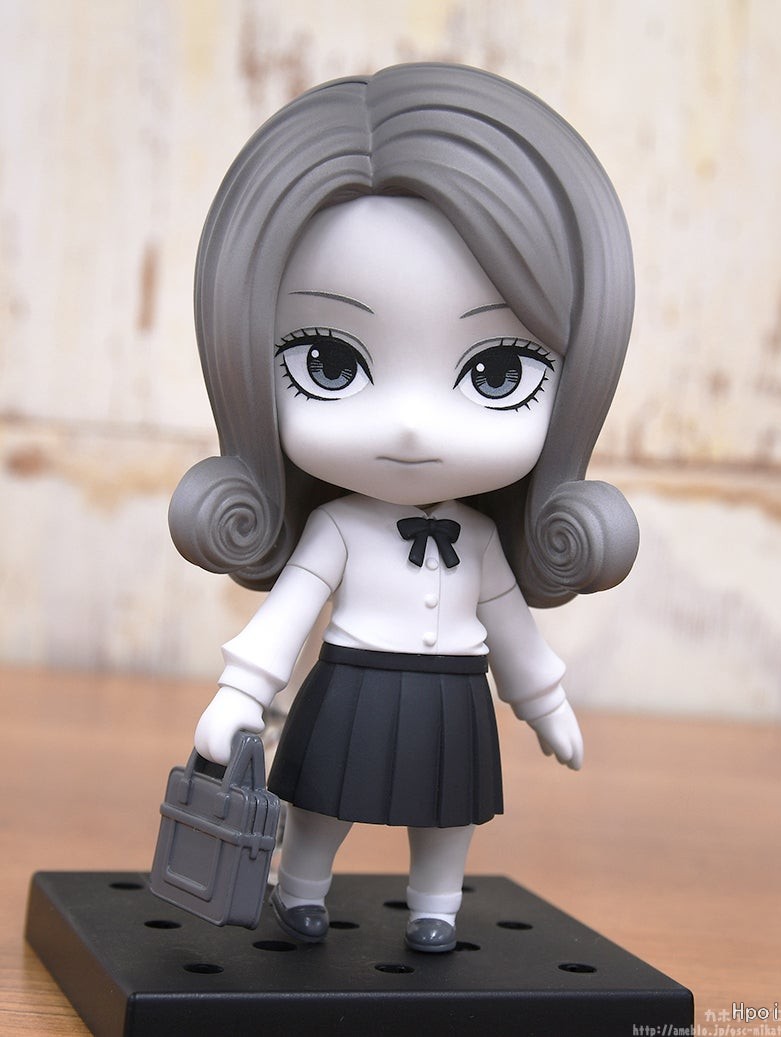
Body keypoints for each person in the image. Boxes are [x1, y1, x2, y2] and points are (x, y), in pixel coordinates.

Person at [169, 63, 639, 953]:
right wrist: (241, 693)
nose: (414, 424)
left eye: (495, 371)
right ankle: (301, 889)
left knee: (448, 811)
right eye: (330, 363)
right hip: (352, 680)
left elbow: (511, 630)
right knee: (321, 801)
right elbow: (286, 617)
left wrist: (545, 703)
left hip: (454, 694)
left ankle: (435, 908)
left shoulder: (482, 540)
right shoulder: (338, 527)